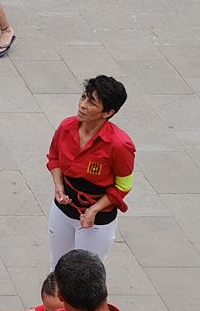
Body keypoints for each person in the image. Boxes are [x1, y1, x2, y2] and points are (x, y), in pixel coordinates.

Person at [43, 76, 133, 262]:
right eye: (83, 97)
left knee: (86, 276)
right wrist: (58, 185)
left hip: (97, 220)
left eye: (91, 102)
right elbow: (54, 157)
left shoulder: (120, 145)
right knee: (57, 267)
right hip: (63, 210)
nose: (82, 105)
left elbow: (124, 186)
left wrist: (94, 210)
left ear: (108, 112)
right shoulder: (66, 126)